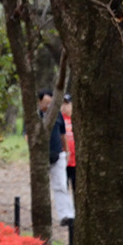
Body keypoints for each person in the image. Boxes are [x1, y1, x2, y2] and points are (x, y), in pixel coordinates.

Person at [44, 89, 75, 226]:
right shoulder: (38, 116)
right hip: (47, 156)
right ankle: (64, 214)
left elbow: (63, 136)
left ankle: (69, 214)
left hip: (64, 158)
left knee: (63, 186)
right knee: (59, 186)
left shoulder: (60, 117)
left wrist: (67, 152)